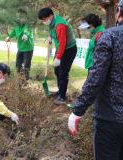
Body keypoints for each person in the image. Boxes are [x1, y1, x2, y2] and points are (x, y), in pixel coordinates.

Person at [68, 1, 123, 159]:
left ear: (118, 12)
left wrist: (78, 109)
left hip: (110, 118)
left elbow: (96, 78)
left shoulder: (110, 36)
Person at [38, 8, 77, 105]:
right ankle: (60, 91)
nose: (44, 21)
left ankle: (62, 97)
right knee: (57, 71)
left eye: (45, 19)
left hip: (68, 49)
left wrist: (59, 57)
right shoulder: (52, 23)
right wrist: (50, 37)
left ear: (51, 15)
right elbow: (54, 33)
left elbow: (63, 42)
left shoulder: (60, 25)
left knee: (63, 72)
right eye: (42, 20)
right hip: (60, 48)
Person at [5, 9, 34, 80]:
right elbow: (14, 32)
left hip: (28, 48)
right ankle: (19, 79)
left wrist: (26, 35)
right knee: (18, 64)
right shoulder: (17, 25)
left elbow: (27, 30)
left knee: (26, 65)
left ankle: (26, 80)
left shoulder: (28, 24)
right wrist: (9, 37)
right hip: (20, 48)